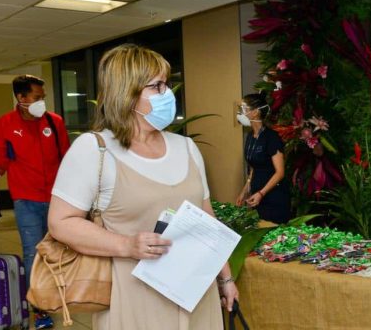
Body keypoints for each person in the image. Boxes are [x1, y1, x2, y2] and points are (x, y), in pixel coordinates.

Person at [47, 44, 238, 329]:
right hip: (135, 298)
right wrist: (126, 245)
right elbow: (61, 223)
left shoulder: (186, 147)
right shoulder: (95, 149)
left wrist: (225, 278)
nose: (168, 94)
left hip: (196, 294)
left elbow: (206, 219)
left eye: (167, 84)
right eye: (157, 86)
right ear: (128, 92)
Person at [0, 74, 70, 329]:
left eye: (43, 97)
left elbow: (67, 158)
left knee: (58, 253)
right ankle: (39, 309)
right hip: (26, 200)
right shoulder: (4, 125)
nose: (42, 103)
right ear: (21, 98)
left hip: (57, 199)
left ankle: (60, 297)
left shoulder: (54, 122)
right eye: (37, 98)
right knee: (32, 254)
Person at [235, 93, 290, 224]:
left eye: (244, 109)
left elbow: (280, 172)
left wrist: (261, 193)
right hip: (257, 196)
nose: (241, 113)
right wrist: (245, 190)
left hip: (274, 197)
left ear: (255, 113)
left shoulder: (271, 137)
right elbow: (254, 167)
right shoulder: (250, 136)